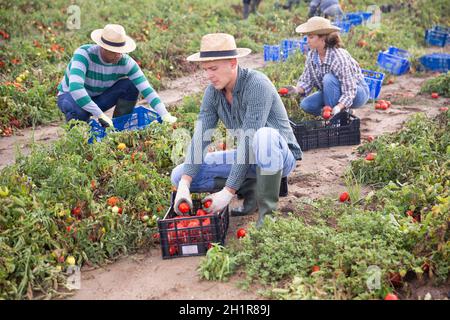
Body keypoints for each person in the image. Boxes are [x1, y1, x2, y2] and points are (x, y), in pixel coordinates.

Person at [171, 33, 302, 228]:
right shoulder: (213, 93)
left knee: (262, 137)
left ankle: (267, 218)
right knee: (179, 174)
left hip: (279, 155)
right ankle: (251, 188)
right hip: (248, 155)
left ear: (233, 63)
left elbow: (250, 141)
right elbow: (201, 137)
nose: (209, 75)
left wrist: (228, 191)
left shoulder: (257, 85)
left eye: (214, 68)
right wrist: (184, 184)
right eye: (206, 69)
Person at [57, 24, 177, 128]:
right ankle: (80, 133)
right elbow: (76, 89)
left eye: (121, 50)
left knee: (131, 86)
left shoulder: (125, 62)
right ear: (103, 47)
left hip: (98, 97)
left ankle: (117, 127)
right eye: (114, 51)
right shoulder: (84, 55)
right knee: (77, 111)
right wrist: (100, 115)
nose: (119, 55)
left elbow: (146, 89)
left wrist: (165, 114)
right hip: (71, 97)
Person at [283, 17, 369, 117]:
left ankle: (335, 119)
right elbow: (307, 81)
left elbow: (349, 90)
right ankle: (340, 114)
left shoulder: (338, 58)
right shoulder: (312, 56)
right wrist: (295, 89)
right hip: (332, 92)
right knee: (306, 105)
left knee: (329, 79)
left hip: (357, 93)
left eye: (311, 37)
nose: (307, 41)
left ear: (323, 38)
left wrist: (338, 107)